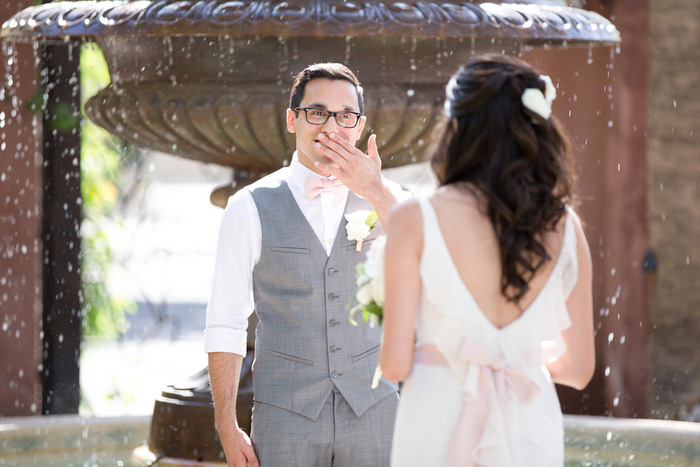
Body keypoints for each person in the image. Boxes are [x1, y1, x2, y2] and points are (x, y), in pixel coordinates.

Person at [379, 54, 595, 466]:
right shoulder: (567, 227)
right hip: (529, 419)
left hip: (438, 417)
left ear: (457, 127)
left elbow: (393, 364)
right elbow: (579, 369)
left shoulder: (414, 218)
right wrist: (517, 356)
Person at [205, 62, 405, 467]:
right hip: (285, 419)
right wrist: (226, 425)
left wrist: (375, 191)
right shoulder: (248, 207)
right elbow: (225, 320)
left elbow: (432, 273)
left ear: (360, 125)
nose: (331, 126)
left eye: (345, 116)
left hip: (377, 413)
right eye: (317, 113)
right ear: (292, 119)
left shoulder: (394, 200)